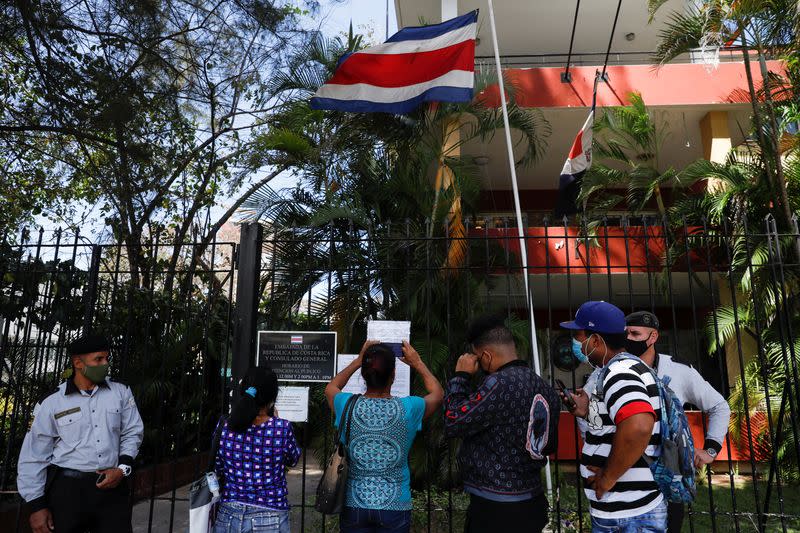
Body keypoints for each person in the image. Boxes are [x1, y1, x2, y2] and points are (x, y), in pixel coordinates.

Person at [444, 315, 560, 533]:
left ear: (486, 355)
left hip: (496, 508)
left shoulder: (498, 383)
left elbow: (453, 421)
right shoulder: (544, 387)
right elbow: (550, 445)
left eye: (478, 360)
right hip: (533, 501)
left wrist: (461, 376)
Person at [17, 334, 144, 533]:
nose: (105, 364)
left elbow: (132, 432)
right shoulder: (52, 403)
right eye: (98, 359)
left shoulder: (120, 392)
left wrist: (122, 468)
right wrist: (36, 505)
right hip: (69, 491)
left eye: (107, 358)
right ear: (78, 362)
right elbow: (34, 455)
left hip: (112, 487)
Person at [560, 301, 667, 532]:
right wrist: (587, 411)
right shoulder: (623, 368)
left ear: (596, 340)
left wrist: (607, 477)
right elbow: (616, 424)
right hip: (627, 510)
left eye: (579, 336)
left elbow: (638, 425)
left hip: (628, 514)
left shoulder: (619, 372)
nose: (576, 343)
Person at [624, 310, 731, 532]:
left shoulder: (678, 369)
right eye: (626, 334)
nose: (628, 339)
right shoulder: (615, 368)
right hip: (626, 476)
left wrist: (710, 450)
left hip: (669, 477)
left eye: (635, 334)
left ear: (652, 337)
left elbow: (719, 406)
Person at [325, 340, 443, 533]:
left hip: (355, 503)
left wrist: (357, 361)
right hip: (395, 504)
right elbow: (438, 394)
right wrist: (417, 363)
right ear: (394, 375)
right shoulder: (409, 408)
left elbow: (331, 387)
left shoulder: (346, 404)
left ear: (363, 374)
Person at [213, 366, 301, 533]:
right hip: (270, 513)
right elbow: (293, 458)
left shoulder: (225, 425)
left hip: (229, 514)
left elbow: (218, 465)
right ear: (272, 396)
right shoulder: (281, 428)